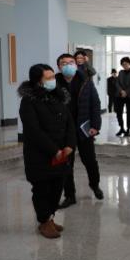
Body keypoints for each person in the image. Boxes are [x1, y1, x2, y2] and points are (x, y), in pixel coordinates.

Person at [18, 64, 76, 238]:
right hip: (40, 155)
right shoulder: (28, 101)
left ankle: (50, 217)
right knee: (42, 189)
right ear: (38, 81)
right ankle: (44, 221)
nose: (53, 80)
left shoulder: (59, 97)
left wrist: (69, 145)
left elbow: (69, 123)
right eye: (48, 78)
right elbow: (34, 131)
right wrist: (54, 150)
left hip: (61, 154)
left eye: (53, 77)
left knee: (57, 187)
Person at [55, 53, 104, 209]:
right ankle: (70, 195)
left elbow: (95, 104)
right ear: (59, 67)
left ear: (76, 65)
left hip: (83, 128)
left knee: (90, 161)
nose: (68, 65)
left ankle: (95, 185)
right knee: (66, 164)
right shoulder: (54, 83)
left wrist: (95, 126)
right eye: (64, 63)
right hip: (64, 131)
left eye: (71, 62)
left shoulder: (86, 81)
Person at [115, 56, 130, 137]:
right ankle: (121, 128)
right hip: (120, 95)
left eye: (126, 64)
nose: (125, 65)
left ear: (129, 63)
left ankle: (128, 129)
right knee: (119, 113)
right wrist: (121, 91)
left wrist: (126, 92)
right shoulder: (120, 72)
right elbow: (117, 83)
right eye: (123, 64)